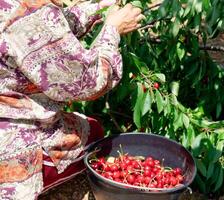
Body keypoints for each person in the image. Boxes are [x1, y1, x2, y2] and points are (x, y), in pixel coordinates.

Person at [0, 0, 143, 199]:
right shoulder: (30, 18)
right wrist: (112, 31)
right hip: (9, 143)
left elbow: (51, 28)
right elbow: (89, 83)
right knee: (94, 133)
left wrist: (100, 9)